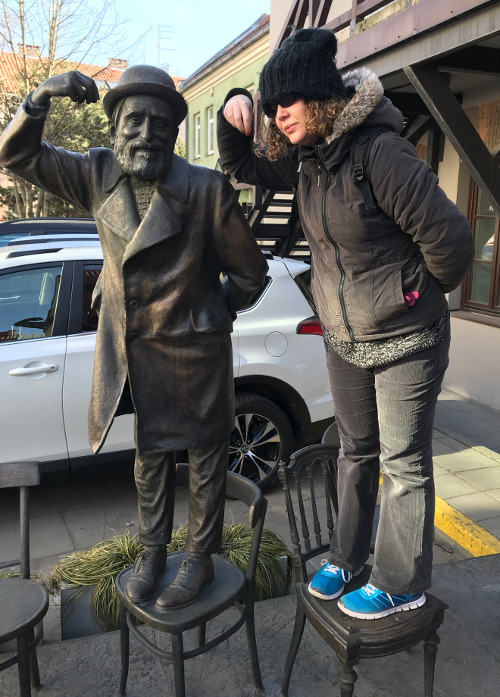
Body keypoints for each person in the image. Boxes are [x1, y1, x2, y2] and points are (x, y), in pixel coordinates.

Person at [217, 28, 474, 620]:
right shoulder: (309, 163)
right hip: (344, 338)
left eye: (289, 101)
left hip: (408, 337)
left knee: (403, 464)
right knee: (354, 451)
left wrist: (408, 295)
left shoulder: (379, 153)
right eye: (272, 103)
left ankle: (400, 581)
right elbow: (241, 165)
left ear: (322, 97)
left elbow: (453, 243)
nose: (279, 115)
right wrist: (237, 108)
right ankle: (348, 556)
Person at [0, 65, 268, 610]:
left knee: (206, 456)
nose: (147, 133)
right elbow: (15, 156)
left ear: (174, 132)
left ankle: (197, 559)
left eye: (160, 123)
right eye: (135, 120)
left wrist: (209, 314)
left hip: (194, 351)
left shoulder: (206, 189)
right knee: (149, 456)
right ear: (116, 125)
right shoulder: (96, 174)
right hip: (135, 350)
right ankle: (151, 553)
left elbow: (251, 273)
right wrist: (38, 100)